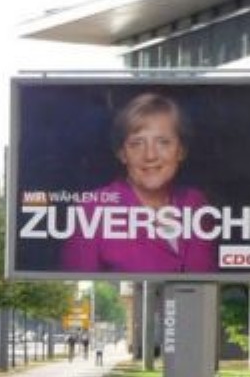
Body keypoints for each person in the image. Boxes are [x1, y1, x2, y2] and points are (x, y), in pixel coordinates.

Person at [61, 92, 218, 275]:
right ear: (122, 153)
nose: (150, 155)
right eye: (137, 144)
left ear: (181, 150)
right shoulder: (92, 209)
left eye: (163, 142)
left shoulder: (196, 203)